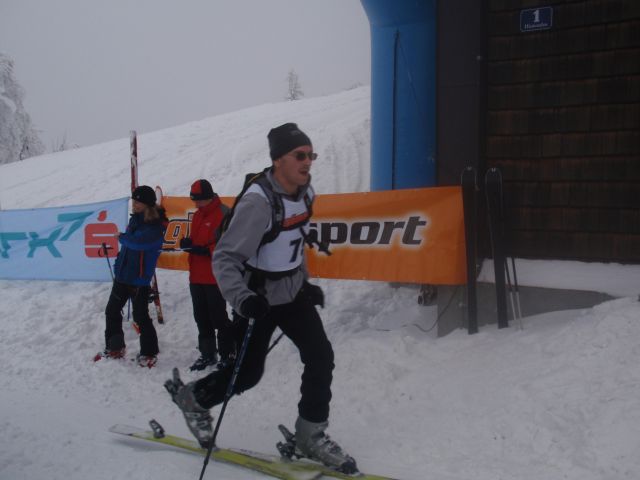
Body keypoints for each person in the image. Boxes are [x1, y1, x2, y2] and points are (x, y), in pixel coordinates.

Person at [164, 123, 357, 473]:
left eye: (311, 154)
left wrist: (304, 283)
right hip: (258, 298)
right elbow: (224, 258)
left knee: (320, 356)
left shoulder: (305, 194)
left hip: (291, 293)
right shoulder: (257, 203)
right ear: (278, 159)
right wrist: (242, 299)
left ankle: (310, 436)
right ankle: (193, 400)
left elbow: (293, 244)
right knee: (247, 374)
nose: (308, 161)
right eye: (300, 155)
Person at [98, 185, 167, 368]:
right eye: (134, 201)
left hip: (139, 279)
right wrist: (119, 263)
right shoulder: (135, 220)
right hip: (123, 275)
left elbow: (139, 244)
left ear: (147, 204)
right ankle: (115, 347)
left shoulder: (156, 226)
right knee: (112, 311)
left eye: (138, 202)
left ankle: (149, 352)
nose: (134, 205)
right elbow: (129, 248)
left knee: (141, 317)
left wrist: (122, 237)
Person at [180, 179, 235, 371]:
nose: (196, 204)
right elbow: (197, 240)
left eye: (198, 200)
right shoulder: (197, 215)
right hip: (196, 275)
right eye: (194, 200)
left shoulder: (224, 213)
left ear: (209, 197)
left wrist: (208, 251)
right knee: (201, 317)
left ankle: (228, 354)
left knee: (219, 317)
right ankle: (207, 354)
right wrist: (188, 243)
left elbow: (231, 244)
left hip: (216, 276)